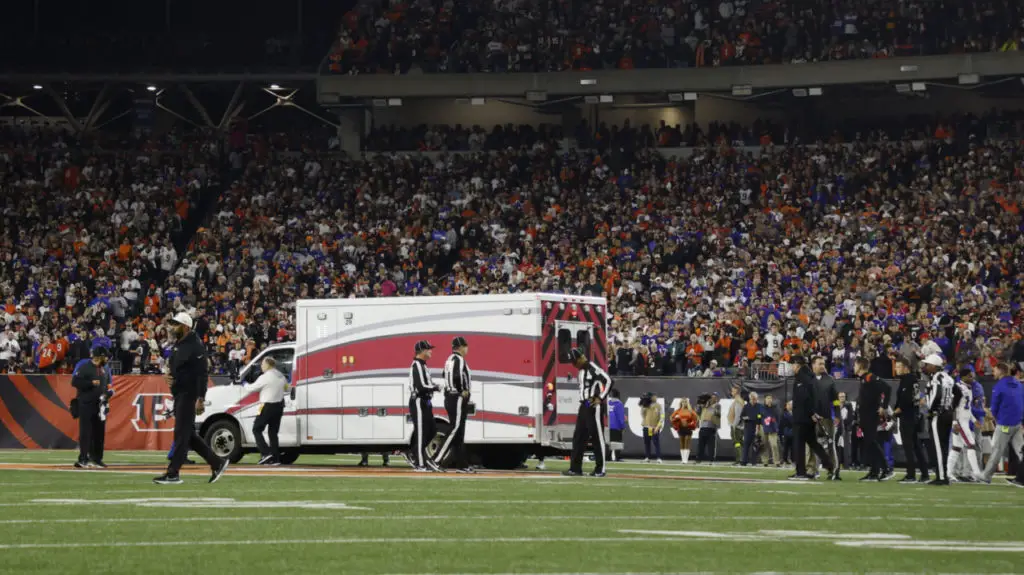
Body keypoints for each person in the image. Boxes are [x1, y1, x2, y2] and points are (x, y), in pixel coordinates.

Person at [154, 312, 229, 485]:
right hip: (180, 393)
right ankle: (217, 463)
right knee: (188, 435)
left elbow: (202, 374)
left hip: (189, 395)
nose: (172, 328)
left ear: (186, 327)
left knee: (181, 434)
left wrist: (201, 398)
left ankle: (173, 473)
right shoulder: (179, 345)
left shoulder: (195, 346)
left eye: (176, 324)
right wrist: (167, 375)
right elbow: (172, 366)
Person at [564, 348, 613, 477]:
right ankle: (575, 468)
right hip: (584, 405)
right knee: (579, 437)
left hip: (593, 405)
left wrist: (600, 397)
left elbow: (608, 380)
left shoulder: (592, 368)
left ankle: (600, 469)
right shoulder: (581, 371)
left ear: (581, 358)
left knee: (597, 437)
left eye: (575, 362)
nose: (574, 365)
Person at [789, 357, 836, 481]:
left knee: (799, 444)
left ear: (797, 365)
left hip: (802, 417)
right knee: (813, 443)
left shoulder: (802, 377)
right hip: (808, 416)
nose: (791, 367)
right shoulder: (810, 376)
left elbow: (804, 398)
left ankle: (800, 472)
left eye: (792, 365)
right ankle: (829, 464)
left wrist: (811, 412)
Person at [977, 362, 1023, 484]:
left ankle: (986, 476)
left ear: (1001, 371)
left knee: (997, 449)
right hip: (1017, 422)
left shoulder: (999, 386)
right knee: (1021, 451)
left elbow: (995, 407)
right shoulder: (1018, 384)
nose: (993, 372)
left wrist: (995, 418)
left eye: (995, 370)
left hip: (1005, 424)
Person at [434, 336, 473, 473]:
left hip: (450, 396)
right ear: (461, 347)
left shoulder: (449, 359)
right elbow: (457, 376)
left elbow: (444, 374)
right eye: (466, 346)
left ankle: (462, 464)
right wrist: (463, 390)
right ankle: (436, 459)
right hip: (456, 397)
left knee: (459, 432)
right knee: (455, 429)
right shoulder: (459, 360)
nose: (467, 349)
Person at [855, 357, 893, 481]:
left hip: (871, 414)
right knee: (869, 444)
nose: (853, 367)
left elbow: (887, 388)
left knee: (872, 442)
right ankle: (874, 471)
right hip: (865, 415)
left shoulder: (869, 377)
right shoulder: (862, 380)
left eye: (855, 365)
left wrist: (884, 406)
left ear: (860, 366)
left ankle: (886, 469)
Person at [71, 347, 110, 469]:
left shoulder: (104, 369)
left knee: (99, 433)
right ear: (98, 356)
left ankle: (97, 458)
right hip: (86, 403)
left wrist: (107, 395)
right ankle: (83, 458)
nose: (107, 359)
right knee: (86, 432)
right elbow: (75, 382)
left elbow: (105, 386)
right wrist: (90, 383)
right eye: (105, 356)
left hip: (99, 405)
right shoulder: (85, 367)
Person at [246, 356, 288, 465]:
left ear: (268, 365)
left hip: (267, 405)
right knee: (273, 433)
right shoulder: (281, 376)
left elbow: (251, 388)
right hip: (279, 406)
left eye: (262, 364)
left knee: (256, 429)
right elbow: (287, 388)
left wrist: (244, 384)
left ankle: (265, 453)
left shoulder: (265, 377)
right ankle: (275, 458)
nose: (261, 366)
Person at [893, 357, 929, 483]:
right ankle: (924, 474)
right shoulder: (911, 379)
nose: (896, 369)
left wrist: (896, 411)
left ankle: (911, 474)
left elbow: (906, 400)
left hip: (908, 417)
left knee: (909, 446)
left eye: (898, 366)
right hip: (913, 416)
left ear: (906, 368)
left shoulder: (908, 380)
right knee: (916, 446)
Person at [922, 353, 955, 485]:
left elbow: (937, 394)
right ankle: (943, 474)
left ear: (934, 366)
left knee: (938, 447)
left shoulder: (936, 377)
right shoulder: (948, 377)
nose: (926, 366)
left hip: (939, 414)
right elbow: (955, 394)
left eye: (928, 364)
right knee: (944, 446)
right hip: (948, 413)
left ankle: (941, 477)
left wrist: (929, 408)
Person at [409, 340, 442, 472]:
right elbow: (421, 386)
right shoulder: (416, 365)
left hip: (426, 402)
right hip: (418, 401)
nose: (430, 351)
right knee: (422, 432)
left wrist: (433, 386)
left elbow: (426, 383)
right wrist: (435, 387)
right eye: (428, 349)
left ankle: (415, 451)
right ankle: (420, 464)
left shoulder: (423, 365)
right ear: (422, 351)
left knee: (432, 430)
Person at [946, 366, 983, 482]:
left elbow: (967, 408)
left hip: (965, 420)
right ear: (963, 377)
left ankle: (948, 472)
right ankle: (977, 473)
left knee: (956, 447)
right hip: (960, 421)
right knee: (971, 444)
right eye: (969, 376)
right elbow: (953, 407)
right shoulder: (957, 388)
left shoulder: (968, 388)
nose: (972, 378)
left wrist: (973, 420)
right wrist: (954, 422)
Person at [670, 397, 698, 464]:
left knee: (687, 442)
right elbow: (671, 417)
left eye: (685, 402)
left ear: (687, 403)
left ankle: (686, 459)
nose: (684, 403)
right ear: (681, 403)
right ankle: (683, 460)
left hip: (688, 428)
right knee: (681, 443)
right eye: (683, 402)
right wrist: (676, 420)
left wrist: (691, 423)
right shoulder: (678, 410)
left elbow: (696, 418)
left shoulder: (690, 410)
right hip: (681, 428)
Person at [696, 393, 721, 464]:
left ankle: (711, 460)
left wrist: (707, 405)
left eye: (714, 398)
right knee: (701, 444)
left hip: (711, 427)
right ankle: (698, 459)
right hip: (703, 427)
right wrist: (699, 404)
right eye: (712, 397)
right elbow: (698, 413)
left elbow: (717, 413)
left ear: (716, 399)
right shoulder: (704, 406)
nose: (713, 399)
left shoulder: (717, 405)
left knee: (711, 445)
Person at [740, 391, 763, 466]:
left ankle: (754, 461)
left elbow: (760, 415)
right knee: (746, 444)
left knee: (755, 445)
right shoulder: (746, 406)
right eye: (753, 399)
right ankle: (744, 460)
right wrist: (748, 419)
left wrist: (758, 423)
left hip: (757, 426)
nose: (754, 400)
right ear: (750, 399)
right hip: (748, 426)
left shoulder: (759, 406)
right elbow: (742, 416)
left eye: (755, 399)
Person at [641, 392, 663, 463]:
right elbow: (643, 415)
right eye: (653, 397)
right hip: (647, 427)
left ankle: (659, 457)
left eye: (655, 397)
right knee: (647, 442)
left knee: (656, 442)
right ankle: (647, 457)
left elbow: (662, 417)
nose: (655, 398)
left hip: (654, 427)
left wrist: (658, 426)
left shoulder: (659, 406)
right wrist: (643, 405)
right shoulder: (646, 405)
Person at [761, 395, 781, 466]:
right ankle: (765, 461)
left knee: (774, 445)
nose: (769, 399)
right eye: (768, 398)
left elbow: (778, 418)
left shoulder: (775, 408)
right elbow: (759, 417)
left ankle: (776, 461)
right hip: (764, 428)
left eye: (770, 398)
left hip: (773, 429)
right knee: (764, 445)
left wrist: (776, 426)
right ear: (765, 400)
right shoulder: (762, 408)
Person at [608, 389, 626, 462]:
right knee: (618, 442)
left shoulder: (608, 403)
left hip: (607, 426)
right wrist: (623, 426)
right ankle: (617, 457)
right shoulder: (619, 404)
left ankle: (607, 457)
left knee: (608, 442)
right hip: (616, 426)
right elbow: (620, 417)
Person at [780, 400, 794, 465]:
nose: (790, 406)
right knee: (785, 447)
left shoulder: (795, 413)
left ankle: (793, 459)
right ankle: (785, 459)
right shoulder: (784, 413)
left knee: (793, 447)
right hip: (786, 432)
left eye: (791, 404)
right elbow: (783, 423)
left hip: (793, 432)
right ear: (786, 406)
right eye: (788, 404)